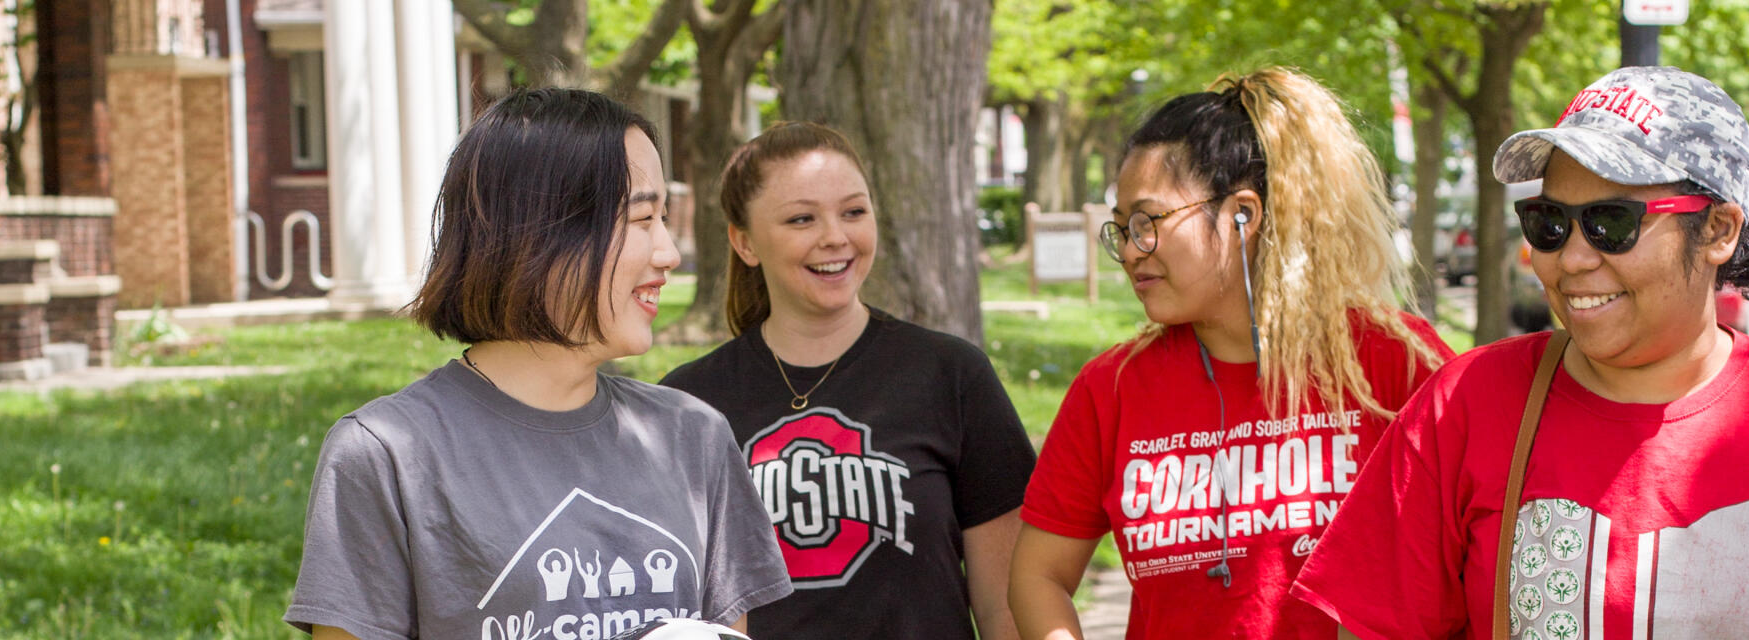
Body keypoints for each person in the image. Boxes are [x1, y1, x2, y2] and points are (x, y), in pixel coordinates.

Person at [1293, 66, 1749, 639]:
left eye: (1611, 222)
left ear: (1719, 229)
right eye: (1549, 222)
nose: (1573, 258)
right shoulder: (1467, 404)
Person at [285, 88, 791, 640]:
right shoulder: (386, 454)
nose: (668, 252)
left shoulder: (695, 436)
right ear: (543, 232)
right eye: (642, 218)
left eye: (663, 218)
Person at [1008, 67, 1454, 640]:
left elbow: (1469, 558)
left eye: (1148, 222)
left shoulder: (1396, 363)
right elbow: (1038, 574)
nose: (1129, 251)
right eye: (1121, 229)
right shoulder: (1110, 389)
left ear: (1243, 214)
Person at [659, 122, 1037, 639]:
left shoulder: (952, 375)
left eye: (854, 212)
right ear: (744, 242)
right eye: (801, 218)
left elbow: (1009, 609)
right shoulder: (688, 403)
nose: (835, 236)